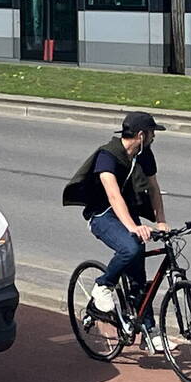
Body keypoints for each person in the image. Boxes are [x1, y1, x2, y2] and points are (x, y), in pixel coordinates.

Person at [62, 112, 170, 353]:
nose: (154, 138)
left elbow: (153, 187)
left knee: (138, 272)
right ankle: (103, 285)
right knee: (130, 247)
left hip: (125, 214)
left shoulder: (144, 155)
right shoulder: (107, 156)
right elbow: (113, 195)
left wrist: (161, 222)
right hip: (102, 215)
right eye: (152, 134)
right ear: (141, 135)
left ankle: (148, 331)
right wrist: (132, 227)